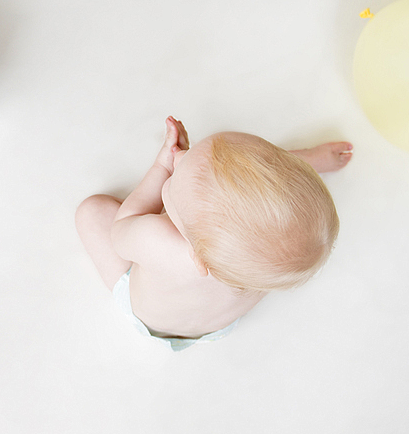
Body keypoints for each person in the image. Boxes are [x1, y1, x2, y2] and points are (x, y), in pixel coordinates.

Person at [75, 117, 351, 351]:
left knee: (92, 211)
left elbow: (122, 229)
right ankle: (308, 160)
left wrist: (161, 168)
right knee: (265, 188)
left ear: (197, 254)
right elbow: (267, 186)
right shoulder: (262, 261)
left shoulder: (158, 239)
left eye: (175, 179)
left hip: (148, 317)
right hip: (217, 326)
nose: (179, 156)